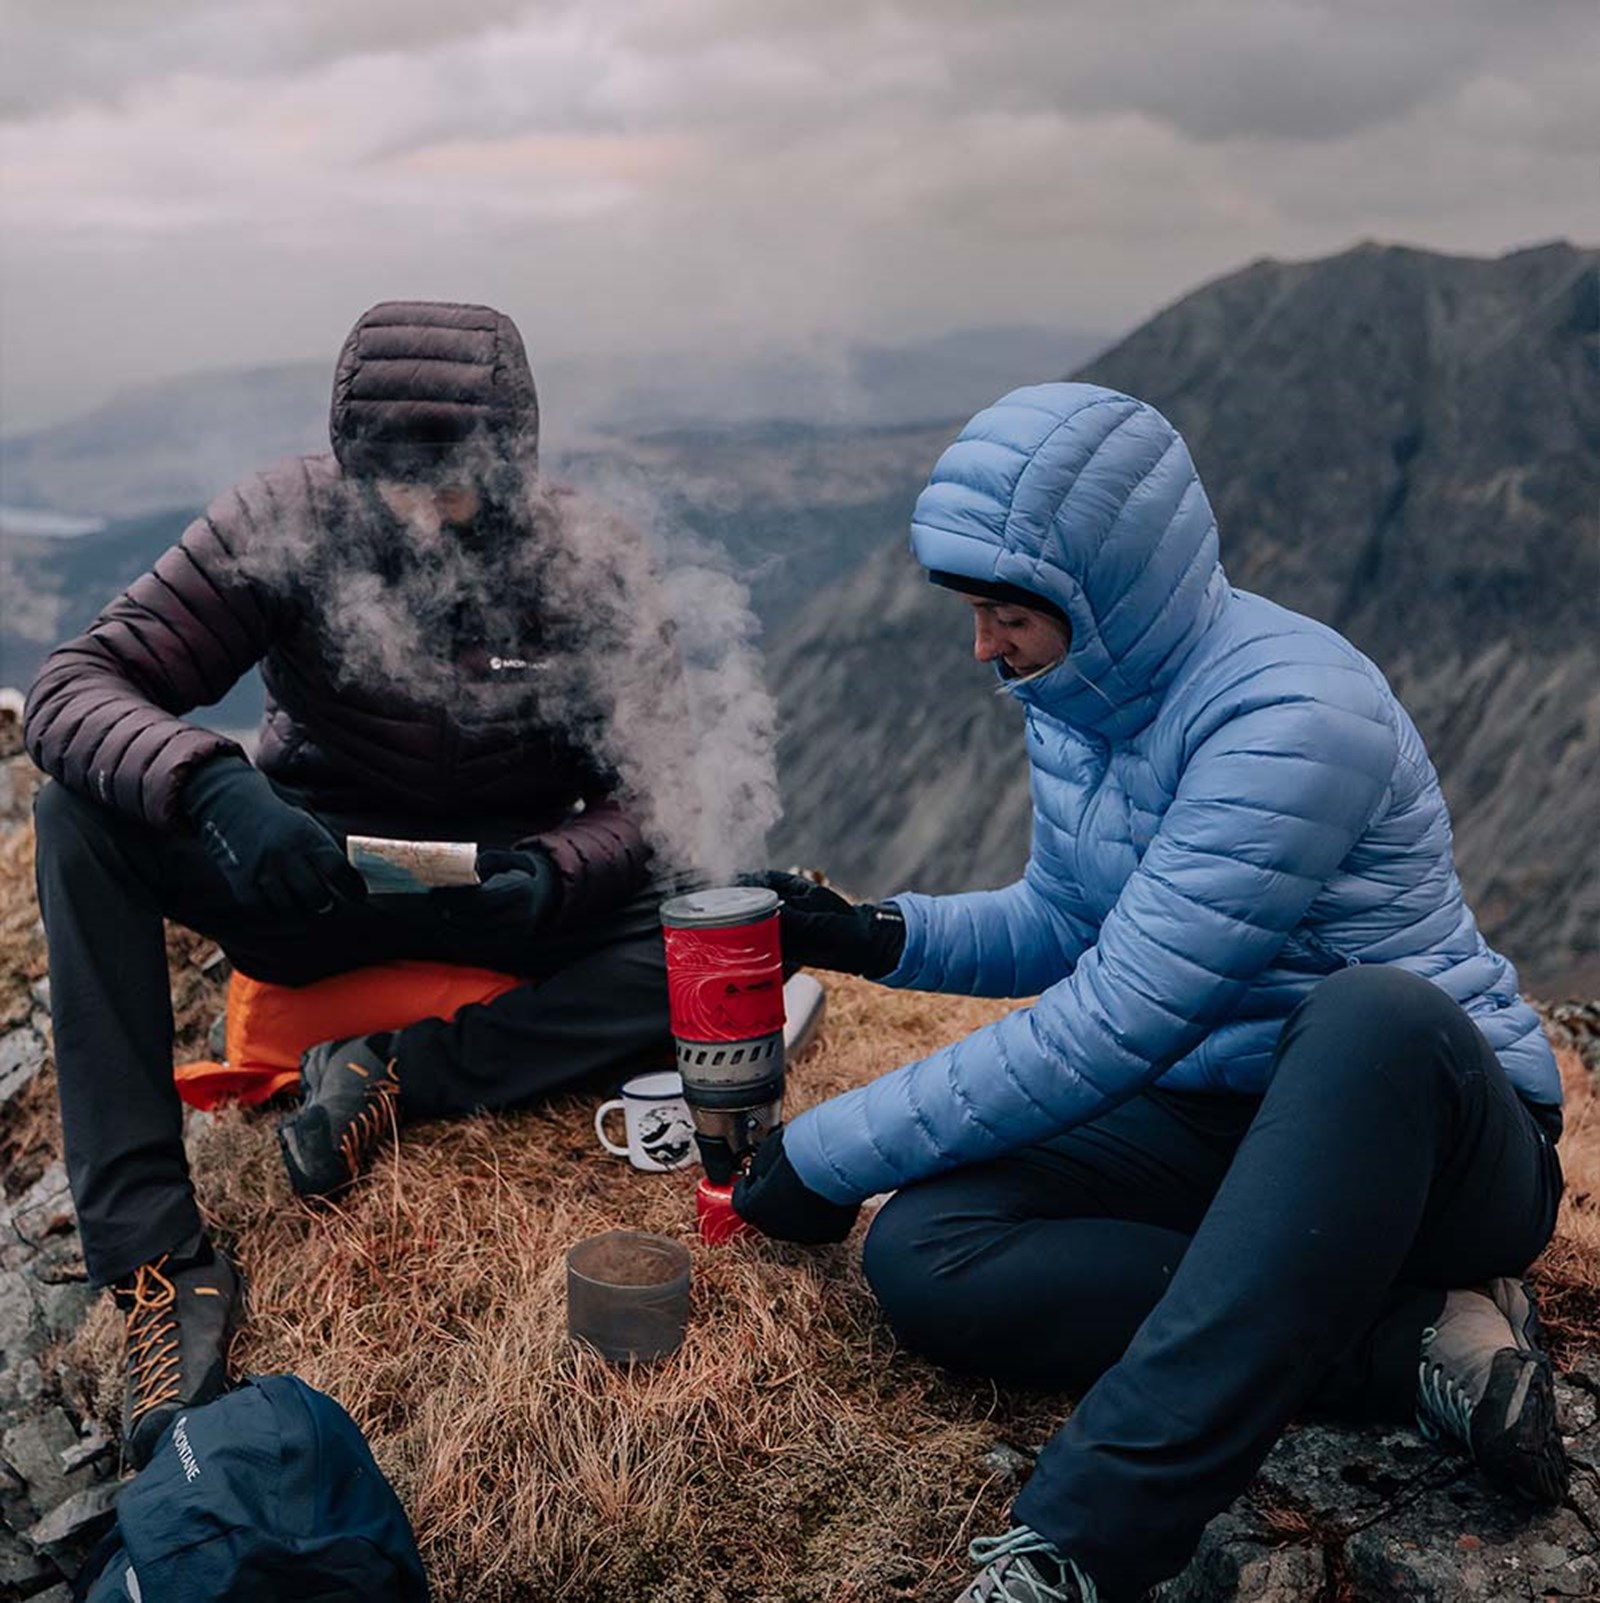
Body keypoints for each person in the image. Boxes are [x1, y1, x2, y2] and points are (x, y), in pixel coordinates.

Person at [732, 383, 1566, 1603]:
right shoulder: (1082, 697)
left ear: (1106, 592)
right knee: (925, 1251)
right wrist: (865, 932)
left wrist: (820, 1153)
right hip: (1225, 1120)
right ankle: (1410, 1337)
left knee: (1365, 1013)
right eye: (978, 614)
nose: (983, 649)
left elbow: (1122, 1010)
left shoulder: (1291, 717)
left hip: (1431, 1140)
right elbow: (1071, 923)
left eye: (1006, 615)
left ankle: (1079, 1544)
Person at [25, 300, 689, 1468]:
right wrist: (211, 787)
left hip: (512, 885)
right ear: (347, 464)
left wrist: (557, 868)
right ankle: (152, 1260)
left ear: (515, 462)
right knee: (79, 812)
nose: (423, 513)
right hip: (309, 876)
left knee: (746, 913)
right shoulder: (279, 522)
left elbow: (664, 788)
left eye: (456, 484)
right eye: (392, 482)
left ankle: (400, 1076)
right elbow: (79, 684)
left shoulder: (589, 561)